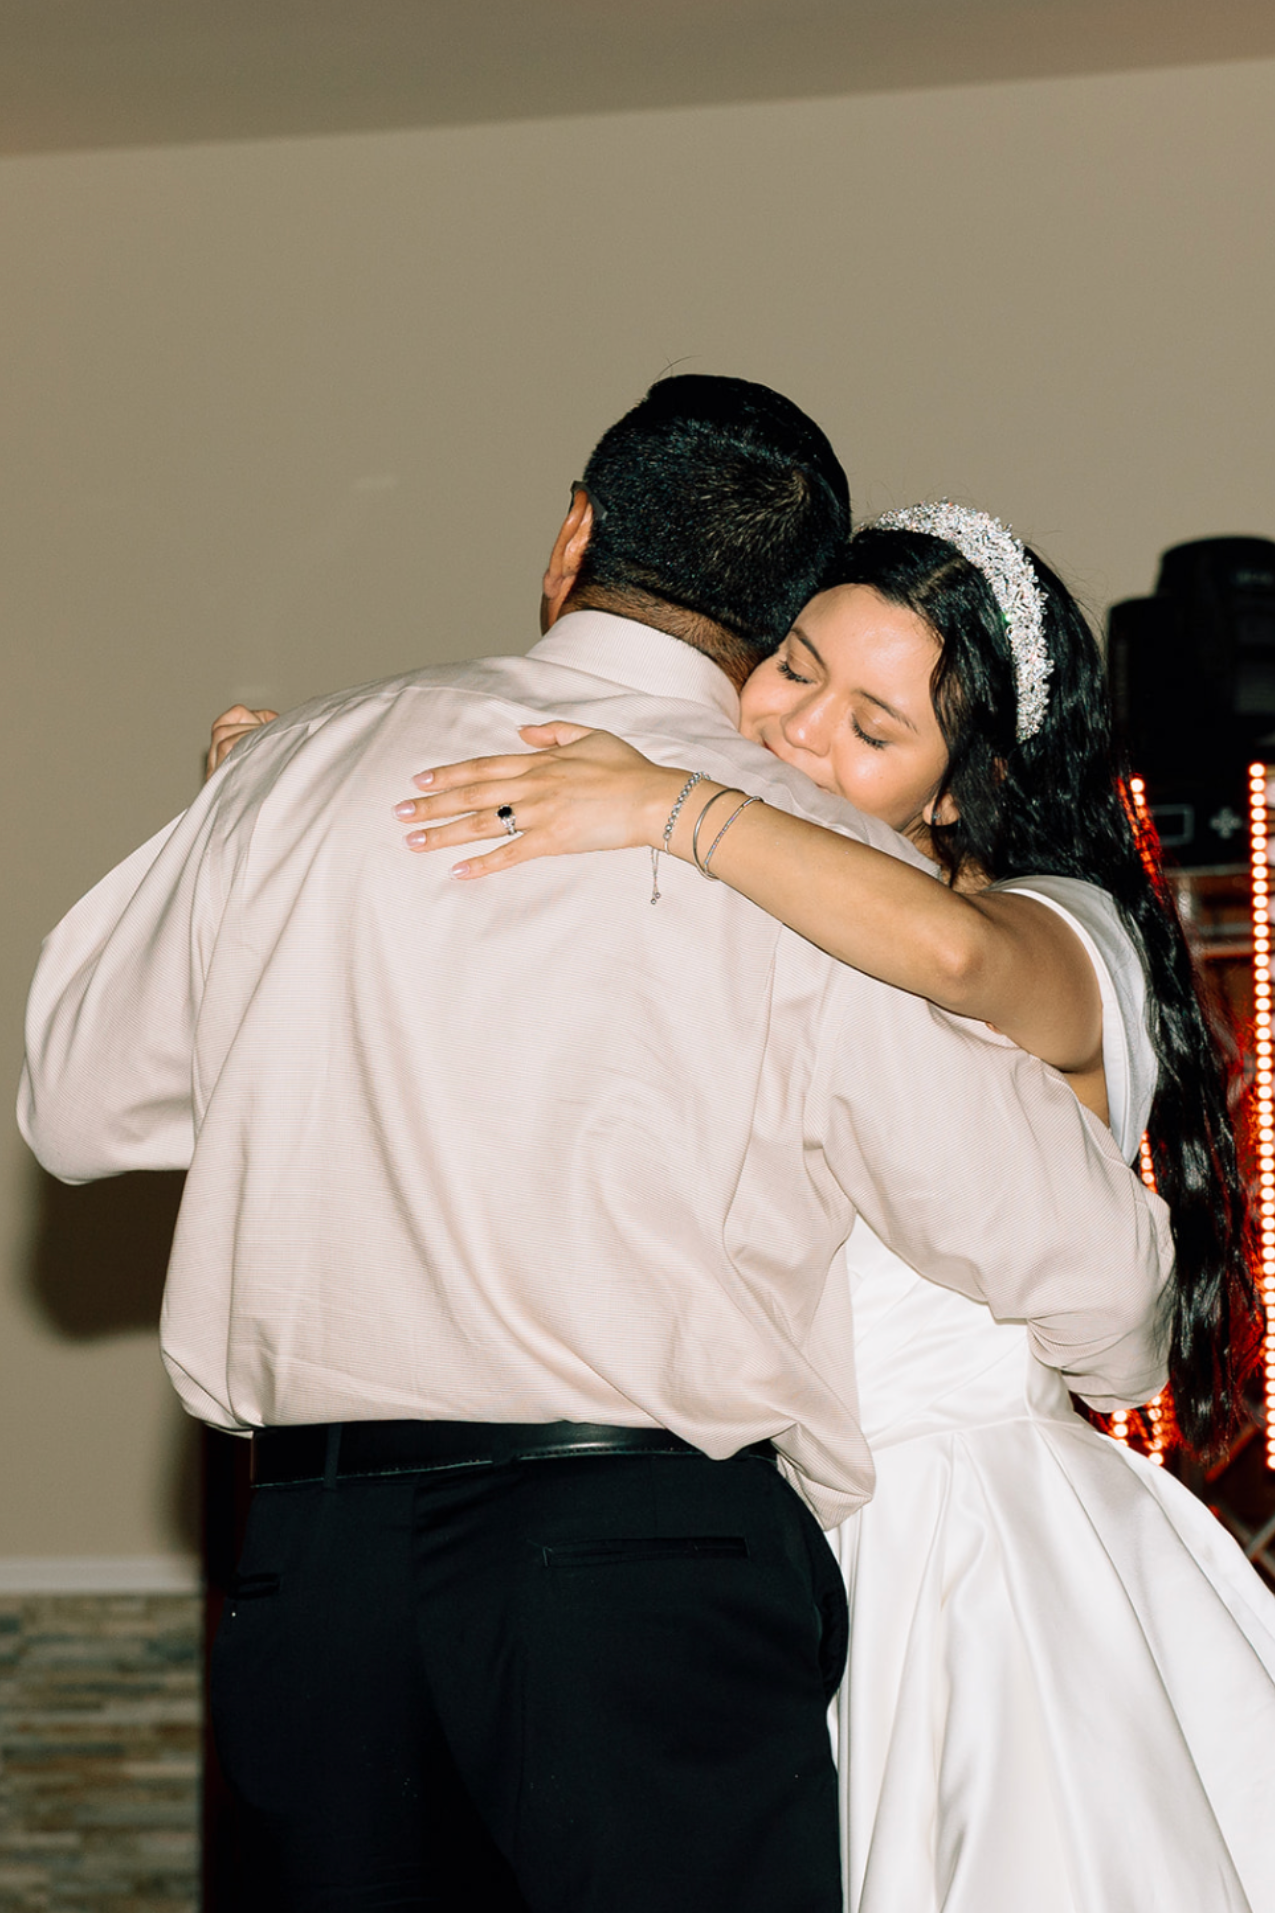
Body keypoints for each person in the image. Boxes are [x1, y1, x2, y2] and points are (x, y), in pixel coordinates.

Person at [19, 380, 1173, 1913]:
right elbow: (1084, 1265)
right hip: (635, 1578)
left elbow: (77, 1102)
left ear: (573, 534)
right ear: (771, 627)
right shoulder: (813, 864)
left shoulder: (303, 767)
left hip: (314, 1568)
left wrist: (316, 944)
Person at [381, 500, 1275, 1911]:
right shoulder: (736, 920)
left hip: (960, 1546)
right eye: (792, 669)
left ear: (952, 792)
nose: (796, 732)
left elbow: (943, 951)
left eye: (871, 727)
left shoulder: (1058, 926)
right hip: (737, 1548)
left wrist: (665, 803)